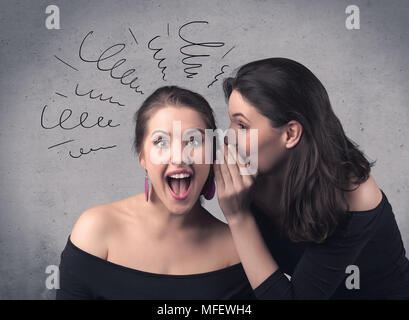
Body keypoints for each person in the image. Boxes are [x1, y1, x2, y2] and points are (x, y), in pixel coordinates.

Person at [214, 57, 409, 299]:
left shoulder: (353, 193)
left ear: (290, 133)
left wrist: (238, 216)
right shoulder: (251, 166)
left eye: (242, 126)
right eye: (231, 122)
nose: (228, 137)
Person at [56, 86, 254, 299]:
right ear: (143, 157)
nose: (179, 157)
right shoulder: (96, 229)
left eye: (194, 141)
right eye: (161, 142)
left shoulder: (237, 250)